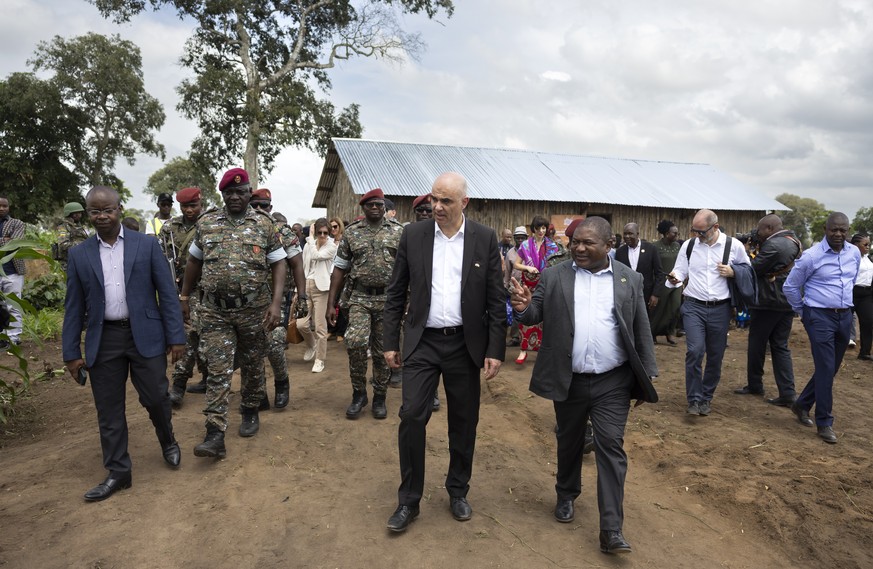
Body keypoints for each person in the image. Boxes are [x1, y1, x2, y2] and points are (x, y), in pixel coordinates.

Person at [511, 216, 658, 554]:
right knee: (570, 439)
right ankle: (566, 493)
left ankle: (611, 530)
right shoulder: (555, 274)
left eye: (587, 242)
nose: (577, 247)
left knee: (610, 446)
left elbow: (640, 327)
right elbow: (535, 313)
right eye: (574, 241)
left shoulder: (628, 278)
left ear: (609, 245)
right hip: (570, 377)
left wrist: (645, 374)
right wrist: (522, 307)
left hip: (614, 381)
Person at [383, 172, 505, 532]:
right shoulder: (414, 235)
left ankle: (457, 490)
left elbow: (496, 300)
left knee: (464, 422)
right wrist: (391, 341)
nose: (436, 206)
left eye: (446, 201)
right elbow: (395, 293)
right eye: (434, 199)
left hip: (464, 346)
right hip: (423, 341)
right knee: (412, 416)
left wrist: (495, 349)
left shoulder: (484, 238)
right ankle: (409, 500)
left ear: (463, 203)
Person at [62, 185, 186, 501]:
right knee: (109, 409)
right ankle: (119, 471)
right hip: (104, 339)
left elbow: (168, 294)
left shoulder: (146, 245)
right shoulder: (79, 254)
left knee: (157, 397)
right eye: (95, 211)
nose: (102, 216)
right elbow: (74, 305)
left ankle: (167, 439)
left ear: (119, 208)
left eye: (108, 210)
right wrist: (71, 353)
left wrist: (176, 337)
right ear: (88, 214)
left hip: (146, 333)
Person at [179, 168, 288, 458]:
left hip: (254, 309)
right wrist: (185, 296)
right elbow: (193, 261)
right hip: (215, 311)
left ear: (249, 193)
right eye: (231, 192)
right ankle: (215, 433)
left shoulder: (263, 224)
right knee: (218, 368)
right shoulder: (208, 223)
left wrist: (276, 303)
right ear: (223, 194)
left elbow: (280, 263)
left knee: (253, 364)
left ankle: (250, 408)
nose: (236, 197)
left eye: (242, 192)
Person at [784, 213, 860, 444]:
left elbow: (851, 280)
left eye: (843, 230)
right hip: (819, 317)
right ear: (825, 229)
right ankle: (824, 422)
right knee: (826, 368)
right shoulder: (811, 257)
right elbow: (790, 287)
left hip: (845, 316)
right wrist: (805, 312)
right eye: (833, 230)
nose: (838, 234)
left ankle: (802, 404)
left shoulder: (854, 253)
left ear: (848, 230)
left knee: (831, 369)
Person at [327, 188, 403, 419]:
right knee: (356, 343)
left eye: (379, 204)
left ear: (384, 207)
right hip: (359, 298)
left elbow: (408, 269)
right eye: (370, 204)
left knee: (382, 351)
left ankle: (379, 396)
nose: (375, 208)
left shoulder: (398, 232)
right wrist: (332, 303)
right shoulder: (351, 234)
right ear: (363, 207)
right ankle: (359, 393)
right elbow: (339, 268)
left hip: (388, 300)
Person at [666, 209, 750, 416]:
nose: (697, 235)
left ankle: (706, 397)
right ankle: (694, 399)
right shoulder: (689, 246)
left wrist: (733, 272)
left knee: (715, 355)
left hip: (721, 308)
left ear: (715, 227)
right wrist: (674, 278)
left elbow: (748, 271)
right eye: (694, 231)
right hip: (693, 306)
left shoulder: (734, 246)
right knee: (694, 351)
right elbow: (680, 270)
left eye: (701, 232)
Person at [733, 214, 802, 405]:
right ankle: (788, 393)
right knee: (780, 346)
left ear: (770, 229)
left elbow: (752, 269)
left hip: (769, 302)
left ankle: (755, 385)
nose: (758, 233)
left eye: (760, 229)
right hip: (786, 302)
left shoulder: (774, 245)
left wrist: (746, 252)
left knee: (757, 344)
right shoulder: (794, 240)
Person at [248, 188, 307, 409]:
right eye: (255, 206)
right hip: (249, 300)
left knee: (273, 345)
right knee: (252, 349)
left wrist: (302, 296)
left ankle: (282, 382)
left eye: (264, 206)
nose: (259, 210)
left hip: (277, 298)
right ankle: (258, 392)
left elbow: (297, 263)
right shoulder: (242, 229)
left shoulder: (282, 231)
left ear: (271, 208)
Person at [160, 187, 208, 406]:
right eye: (185, 207)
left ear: (201, 204)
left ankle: (201, 380)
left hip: (206, 289)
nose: (189, 210)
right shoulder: (170, 228)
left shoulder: (210, 224)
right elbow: (161, 257)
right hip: (180, 290)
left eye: (193, 206)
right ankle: (179, 385)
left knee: (203, 336)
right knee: (189, 334)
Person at [513, 215, 559, 364]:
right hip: (529, 286)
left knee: (543, 319)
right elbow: (516, 264)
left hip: (545, 285)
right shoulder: (525, 245)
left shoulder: (552, 246)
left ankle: (541, 350)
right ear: (533, 229)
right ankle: (523, 350)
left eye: (544, 228)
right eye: (538, 228)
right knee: (525, 316)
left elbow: (557, 266)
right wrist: (528, 266)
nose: (541, 231)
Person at [297, 218, 337, 373]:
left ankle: (320, 360)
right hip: (306, 285)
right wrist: (298, 290)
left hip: (322, 288)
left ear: (329, 232)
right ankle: (311, 345)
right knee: (301, 324)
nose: (322, 235)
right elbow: (304, 265)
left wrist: (310, 238)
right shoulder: (309, 244)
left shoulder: (331, 246)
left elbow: (317, 257)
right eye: (319, 232)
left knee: (320, 327)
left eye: (325, 233)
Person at [614, 222, 664, 318]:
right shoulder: (620, 252)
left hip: (646, 294)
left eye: (630, 233)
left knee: (644, 321)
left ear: (637, 234)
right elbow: (618, 274)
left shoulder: (651, 249)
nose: (627, 236)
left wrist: (655, 294)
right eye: (625, 234)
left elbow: (659, 273)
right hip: (626, 295)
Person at [649, 221, 682, 344]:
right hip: (662, 282)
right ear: (667, 233)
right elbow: (653, 266)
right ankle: (653, 332)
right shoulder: (655, 247)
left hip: (676, 282)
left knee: (675, 307)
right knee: (659, 309)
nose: (677, 235)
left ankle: (670, 332)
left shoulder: (677, 246)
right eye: (675, 233)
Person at [0, 196, 26, 348]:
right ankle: (2, 337)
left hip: (12, 271)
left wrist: (10, 241)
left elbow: (15, 243)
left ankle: (14, 337)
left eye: (5, 206)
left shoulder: (17, 223)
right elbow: (8, 242)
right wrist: (5, 239)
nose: (2, 208)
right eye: (0, 206)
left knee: (14, 305)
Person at [504, 226, 528, 347]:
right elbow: (507, 271)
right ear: (514, 238)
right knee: (515, 312)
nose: (520, 240)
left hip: (528, 287)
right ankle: (515, 337)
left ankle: (528, 338)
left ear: (526, 238)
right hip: (514, 287)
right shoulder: (510, 253)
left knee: (528, 312)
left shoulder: (531, 251)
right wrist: (505, 286)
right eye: (517, 238)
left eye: (522, 238)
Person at [850, 233, 872, 361]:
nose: (868, 247)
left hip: (866, 294)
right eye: (865, 244)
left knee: (868, 322)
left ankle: (865, 352)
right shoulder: (850, 258)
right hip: (852, 292)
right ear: (855, 245)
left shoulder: (868, 258)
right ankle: (837, 349)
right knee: (844, 322)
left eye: (869, 244)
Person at [54, 202, 89, 271]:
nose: (80, 215)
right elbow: (63, 244)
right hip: (69, 263)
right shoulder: (63, 228)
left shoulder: (77, 227)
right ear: (73, 214)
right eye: (78, 213)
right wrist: (83, 245)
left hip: (79, 261)